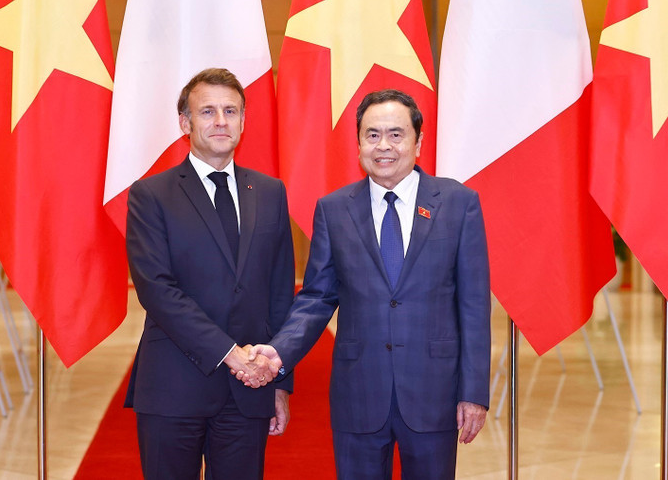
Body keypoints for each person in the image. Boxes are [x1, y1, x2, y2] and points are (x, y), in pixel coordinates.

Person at [239, 89, 491, 479]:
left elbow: (474, 306)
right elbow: (317, 298)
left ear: (418, 142)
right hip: (358, 393)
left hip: (433, 393)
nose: (384, 146)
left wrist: (473, 392)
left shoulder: (459, 203)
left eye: (396, 134)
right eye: (372, 135)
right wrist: (278, 352)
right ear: (358, 143)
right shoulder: (334, 209)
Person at [124, 68, 295, 480]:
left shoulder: (270, 192)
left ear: (243, 121)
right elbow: (158, 290)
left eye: (231, 111)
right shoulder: (150, 195)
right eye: (208, 112)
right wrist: (230, 353)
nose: (221, 121)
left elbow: (280, 294)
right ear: (185, 123)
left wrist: (281, 382)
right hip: (173, 387)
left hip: (250, 392)